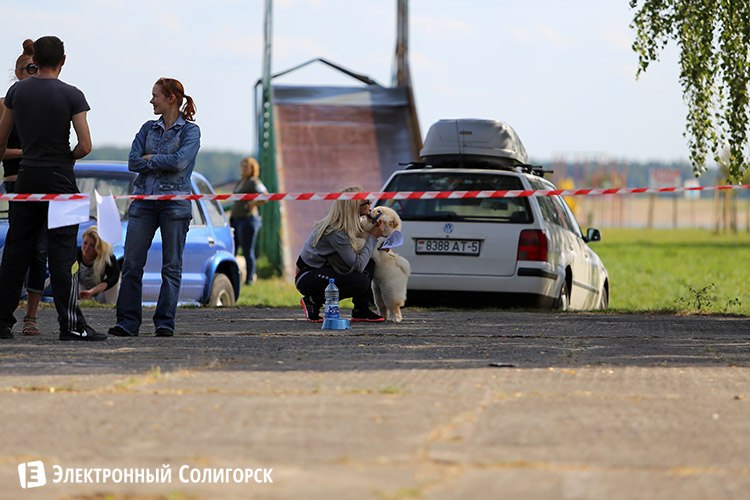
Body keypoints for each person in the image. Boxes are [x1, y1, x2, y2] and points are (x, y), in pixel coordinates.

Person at [0, 35, 104, 341]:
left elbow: (1, 139)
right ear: (63, 61)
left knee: (16, 250)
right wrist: (66, 157)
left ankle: (2, 322)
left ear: (35, 60)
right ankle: (70, 325)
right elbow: (85, 145)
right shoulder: (72, 95)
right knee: (62, 254)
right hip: (60, 180)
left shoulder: (16, 92)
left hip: (26, 179)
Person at [108, 77, 200, 338]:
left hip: (175, 205)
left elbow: (180, 162)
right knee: (132, 264)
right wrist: (161, 161)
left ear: (171, 98)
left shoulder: (191, 132)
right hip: (143, 202)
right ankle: (127, 322)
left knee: (171, 266)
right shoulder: (147, 128)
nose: (151, 100)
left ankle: (165, 322)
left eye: (155, 95)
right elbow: (132, 162)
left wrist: (151, 158)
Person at [0, 39, 49, 336]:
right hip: (16, 183)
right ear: (18, 72)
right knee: (16, 249)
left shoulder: (46, 102)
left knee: (40, 252)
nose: (34, 73)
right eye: (29, 69)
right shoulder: (6, 103)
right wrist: (28, 153)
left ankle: (31, 316)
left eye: (37, 68)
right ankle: (5, 315)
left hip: (44, 185)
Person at [295, 186, 385, 323]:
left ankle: (361, 310)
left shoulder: (349, 224)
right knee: (360, 281)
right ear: (353, 207)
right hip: (308, 276)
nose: (370, 203)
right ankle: (313, 301)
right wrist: (372, 237)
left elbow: (362, 255)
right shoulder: (336, 231)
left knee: (370, 263)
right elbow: (358, 265)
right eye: (366, 201)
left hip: (326, 269)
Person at [230, 156, 267, 285]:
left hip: (248, 220)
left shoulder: (253, 181)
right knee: (233, 250)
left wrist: (253, 203)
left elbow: (264, 195)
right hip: (236, 220)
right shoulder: (240, 181)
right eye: (243, 166)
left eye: (247, 166)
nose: (244, 168)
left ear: (253, 168)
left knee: (247, 251)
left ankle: (249, 279)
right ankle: (232, 278)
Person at [77, 226, 121, 305]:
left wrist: (91, 292)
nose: (87, 248)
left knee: (115, 283)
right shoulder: (76, 255)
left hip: (100, 292)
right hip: (82, 291)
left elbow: (113, 278)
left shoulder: (108, 258)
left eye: (92, 245)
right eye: (85, 243)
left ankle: (111, 306)